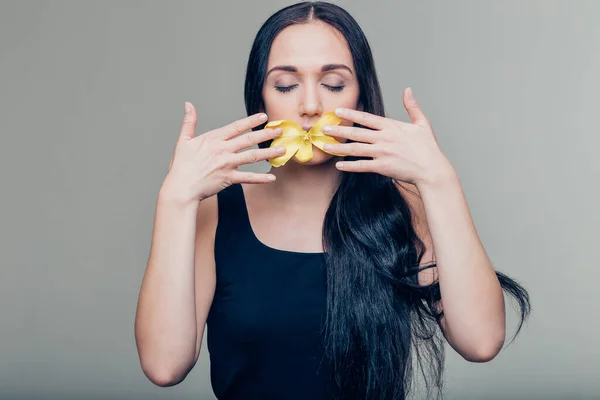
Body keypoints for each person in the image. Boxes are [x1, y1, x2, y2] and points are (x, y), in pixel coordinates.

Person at [134, 2, 531, 399]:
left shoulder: (404, 204)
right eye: (286, 85)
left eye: (334, 84)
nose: (310, 106)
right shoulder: (215, 211)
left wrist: (439, 179)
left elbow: (481, 342)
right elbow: (164, 366)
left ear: (360, 97)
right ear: (261, 100)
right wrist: (174, 199)